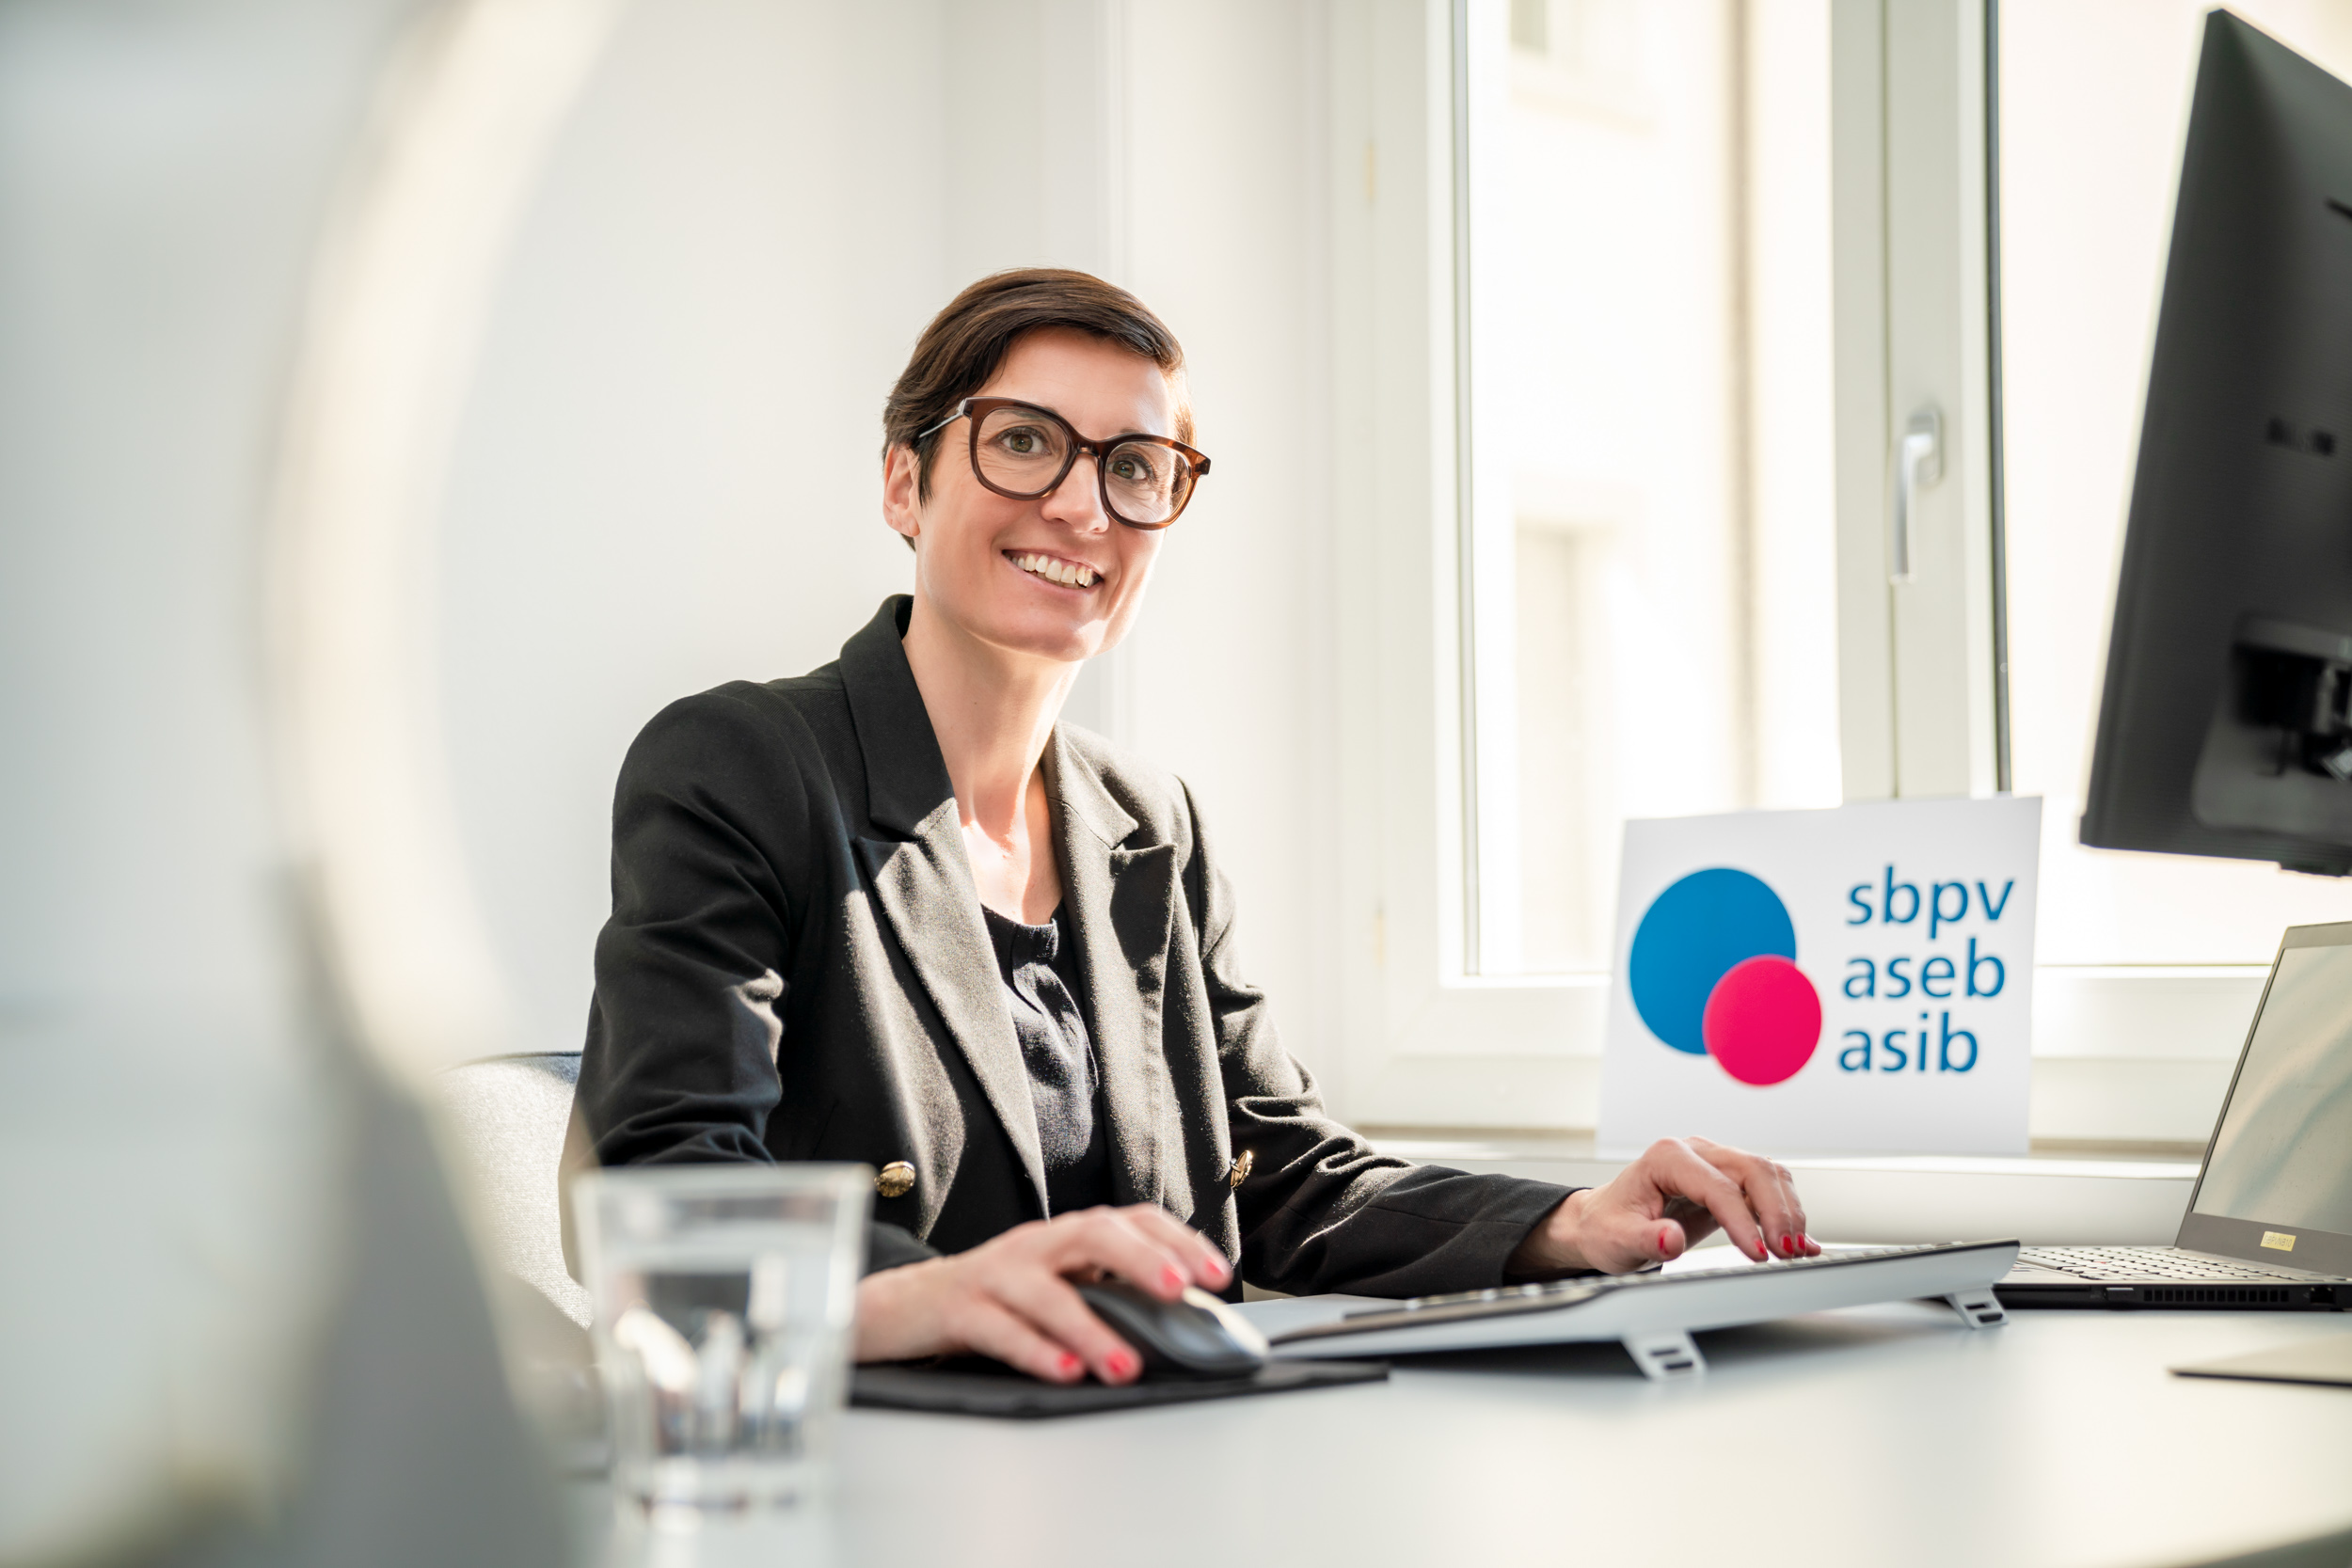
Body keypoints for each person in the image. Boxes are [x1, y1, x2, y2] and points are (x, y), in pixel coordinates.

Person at [572, 268, 1817, 1387]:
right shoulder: (741, 765)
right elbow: (667, 1187)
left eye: (1134, 467)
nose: (1081, 505)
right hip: (879, 1459)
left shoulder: (1146, 823)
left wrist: (1576, 1225)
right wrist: (918, 1290)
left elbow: (1281, 1175)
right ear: (906, 481)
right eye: (1023, 442)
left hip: (1145, 1449)